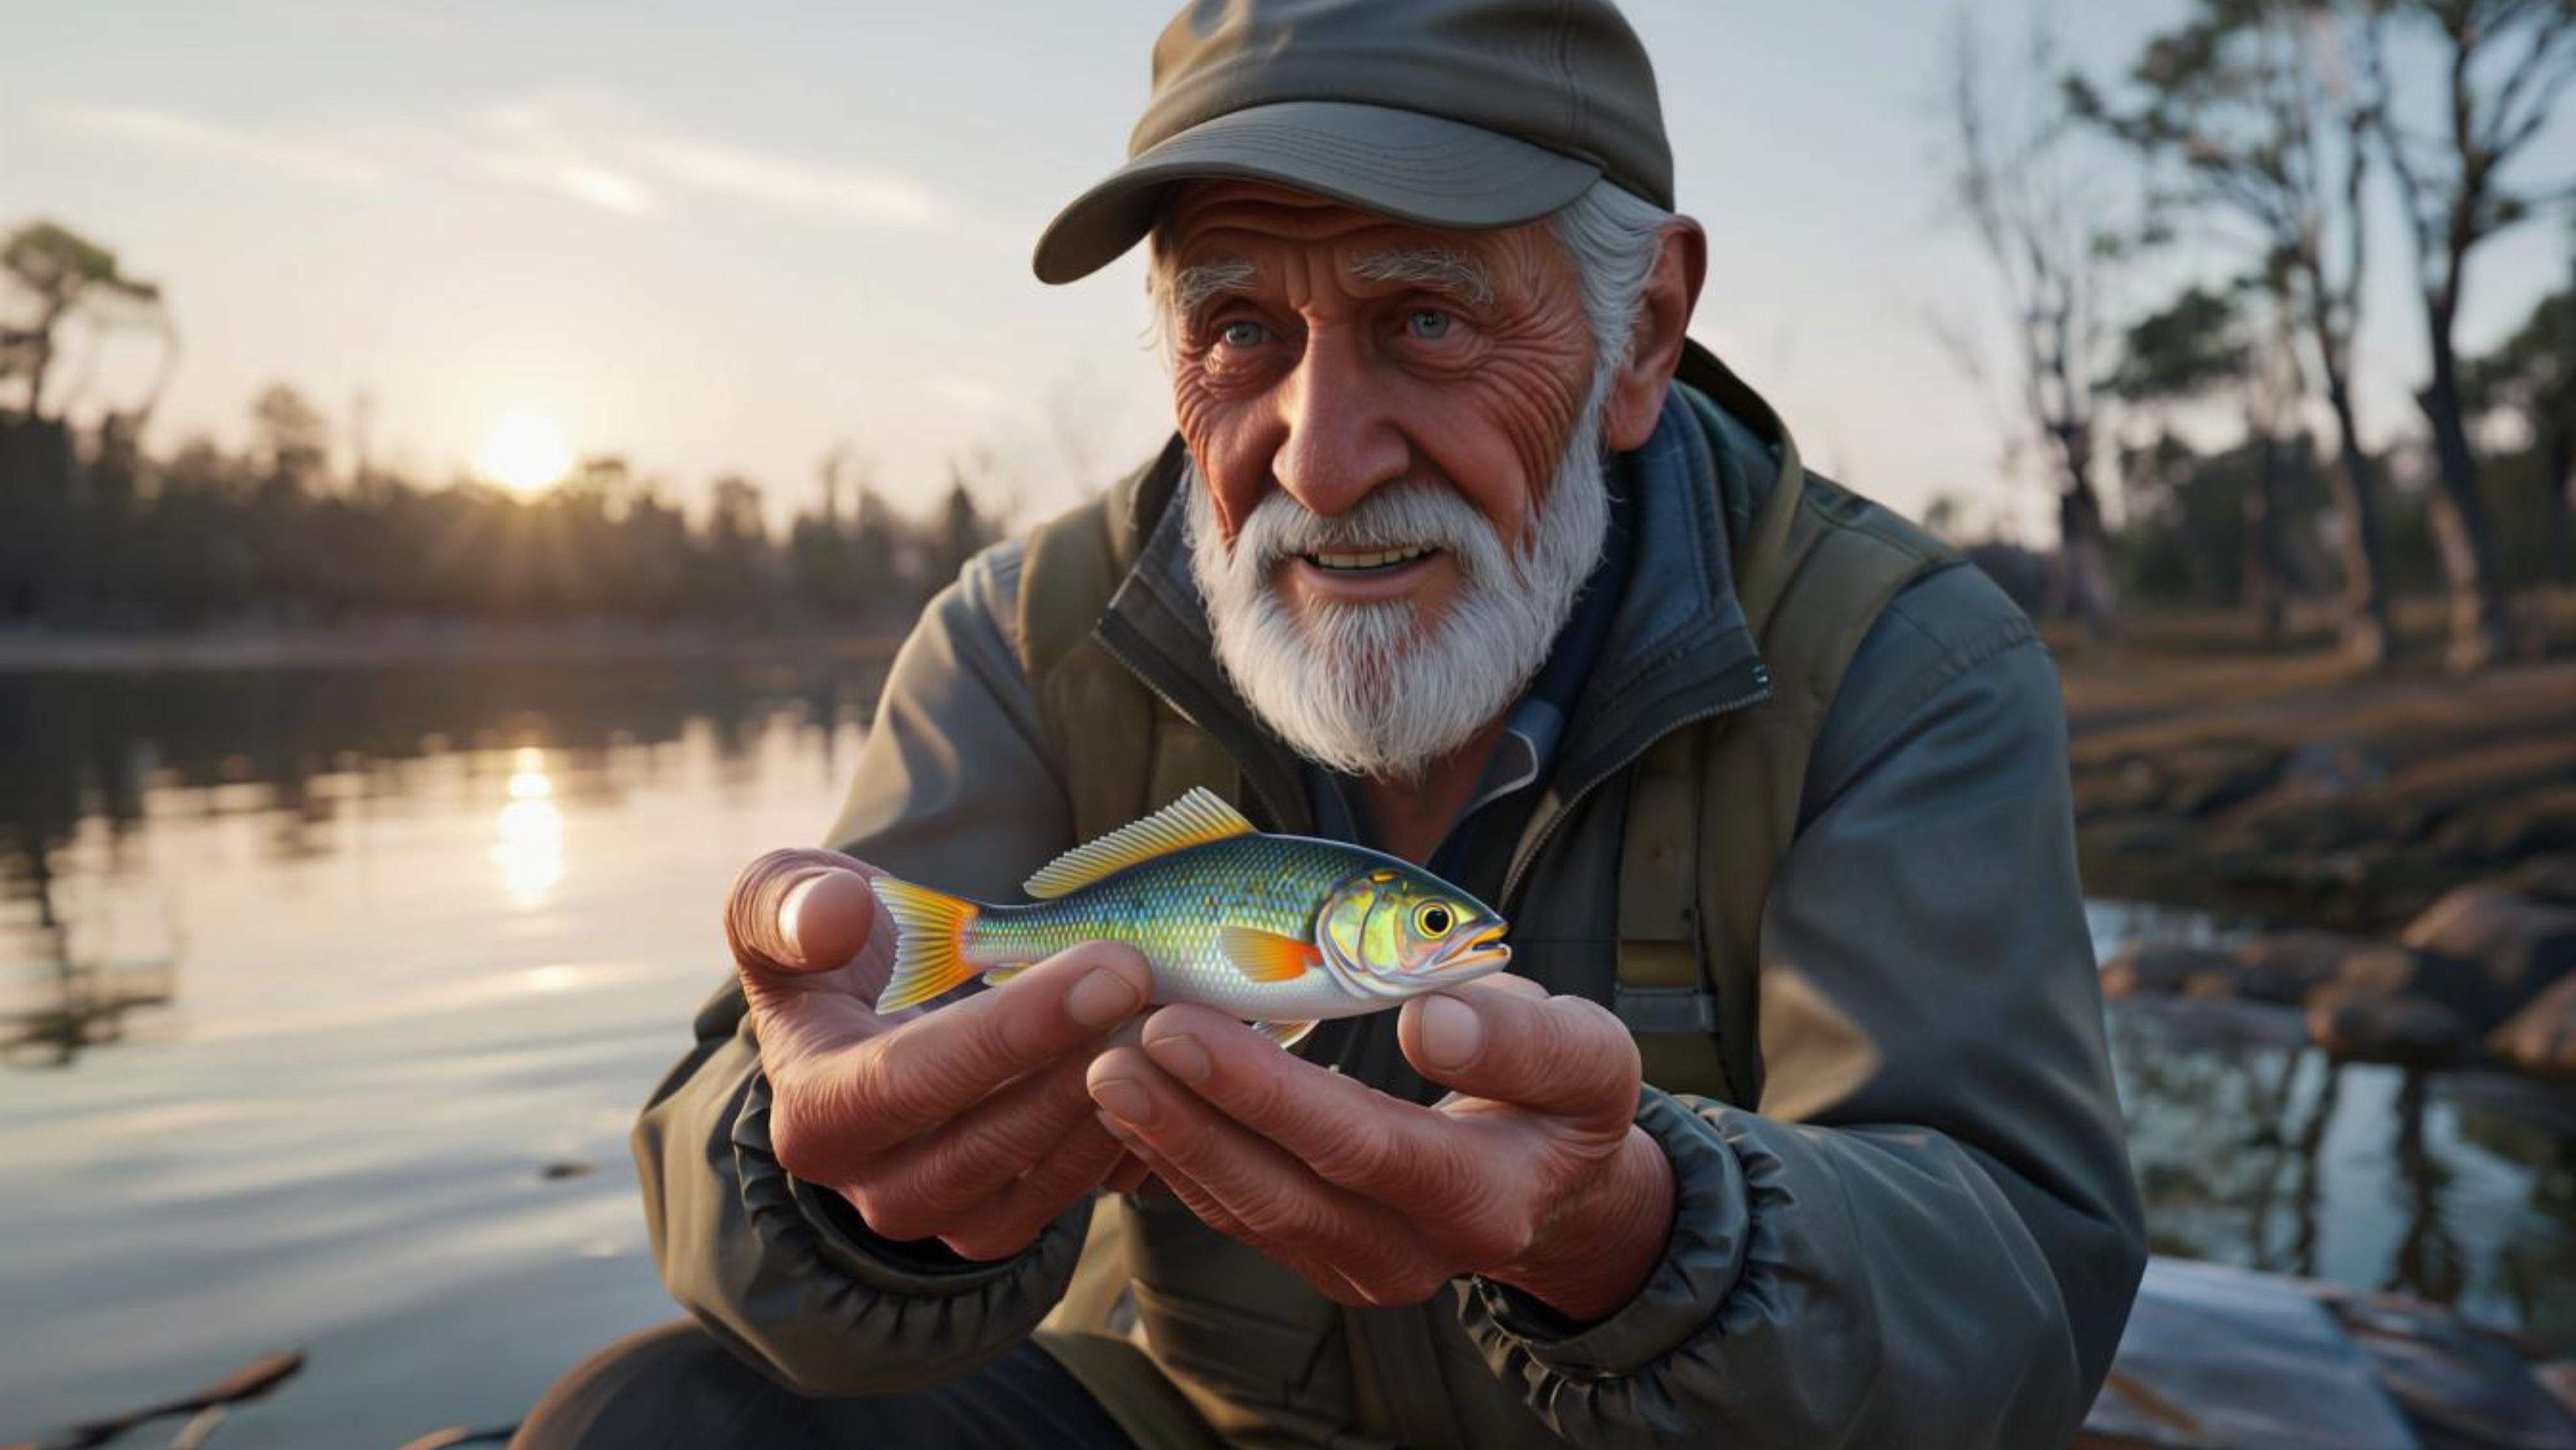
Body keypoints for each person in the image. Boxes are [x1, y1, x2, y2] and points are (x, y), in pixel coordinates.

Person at [514, 1, 2146, 1446]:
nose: (1318, 459)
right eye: (1238, 330)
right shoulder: (1022, 634)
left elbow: (2017, 1284)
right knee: (658, 1416)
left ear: (1642, 332)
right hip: (1184, 1410)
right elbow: (761, 1142)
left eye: (1425, 317)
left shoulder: (1905, 657)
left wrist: (1646, 1236)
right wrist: (832, 1188)